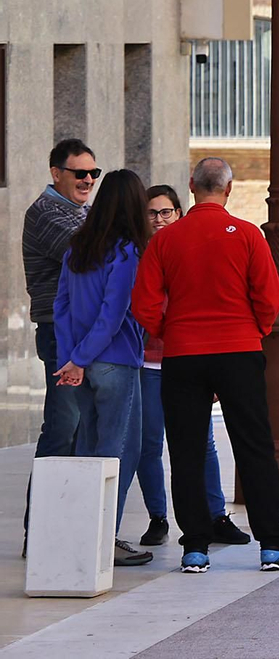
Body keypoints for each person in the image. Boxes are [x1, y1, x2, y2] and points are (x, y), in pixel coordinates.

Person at [130, 157, 279, 574]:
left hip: (183, 353)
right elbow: (269, 298)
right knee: (253, 446)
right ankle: (271, 545)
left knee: (186, 450)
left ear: (192, 186)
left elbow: (144, 304)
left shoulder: (165, 241)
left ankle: (194, 548)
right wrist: (253, 331)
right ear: (228, 189)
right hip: (239, 350)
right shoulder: (246, 234)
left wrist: (171, 332)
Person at [135, 185, 250, 548]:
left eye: (166, 212)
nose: (159, 219)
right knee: (150, 444)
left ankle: (216, 515)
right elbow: (142, 305)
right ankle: (158, 517)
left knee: (203, 444)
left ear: (180, 212)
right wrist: (167, 334)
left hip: (188, 358)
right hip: (150, 363)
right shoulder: (142, 252)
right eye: (152, 213)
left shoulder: (192, 247)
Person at [53, 168, 153, 568]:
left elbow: (60, 306)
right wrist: (81, 358)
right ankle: (103, 538)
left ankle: (82, 534)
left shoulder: (77, 247)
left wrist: (71, 359)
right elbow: (114, 314)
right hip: (114, 360)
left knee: (87, 448)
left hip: (78, 362)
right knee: (118, 451)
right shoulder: (127, 251)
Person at [22, 139, 96, 552]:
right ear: (56, 173)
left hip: (83, 333)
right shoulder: (46, 213)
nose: (87, 180)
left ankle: (70, 532)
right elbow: (89, 256)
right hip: (59, 333)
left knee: (84, 431)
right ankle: (41, 534)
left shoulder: (82, 213)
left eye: (93, 174)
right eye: (79, 173)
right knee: (63, 428)